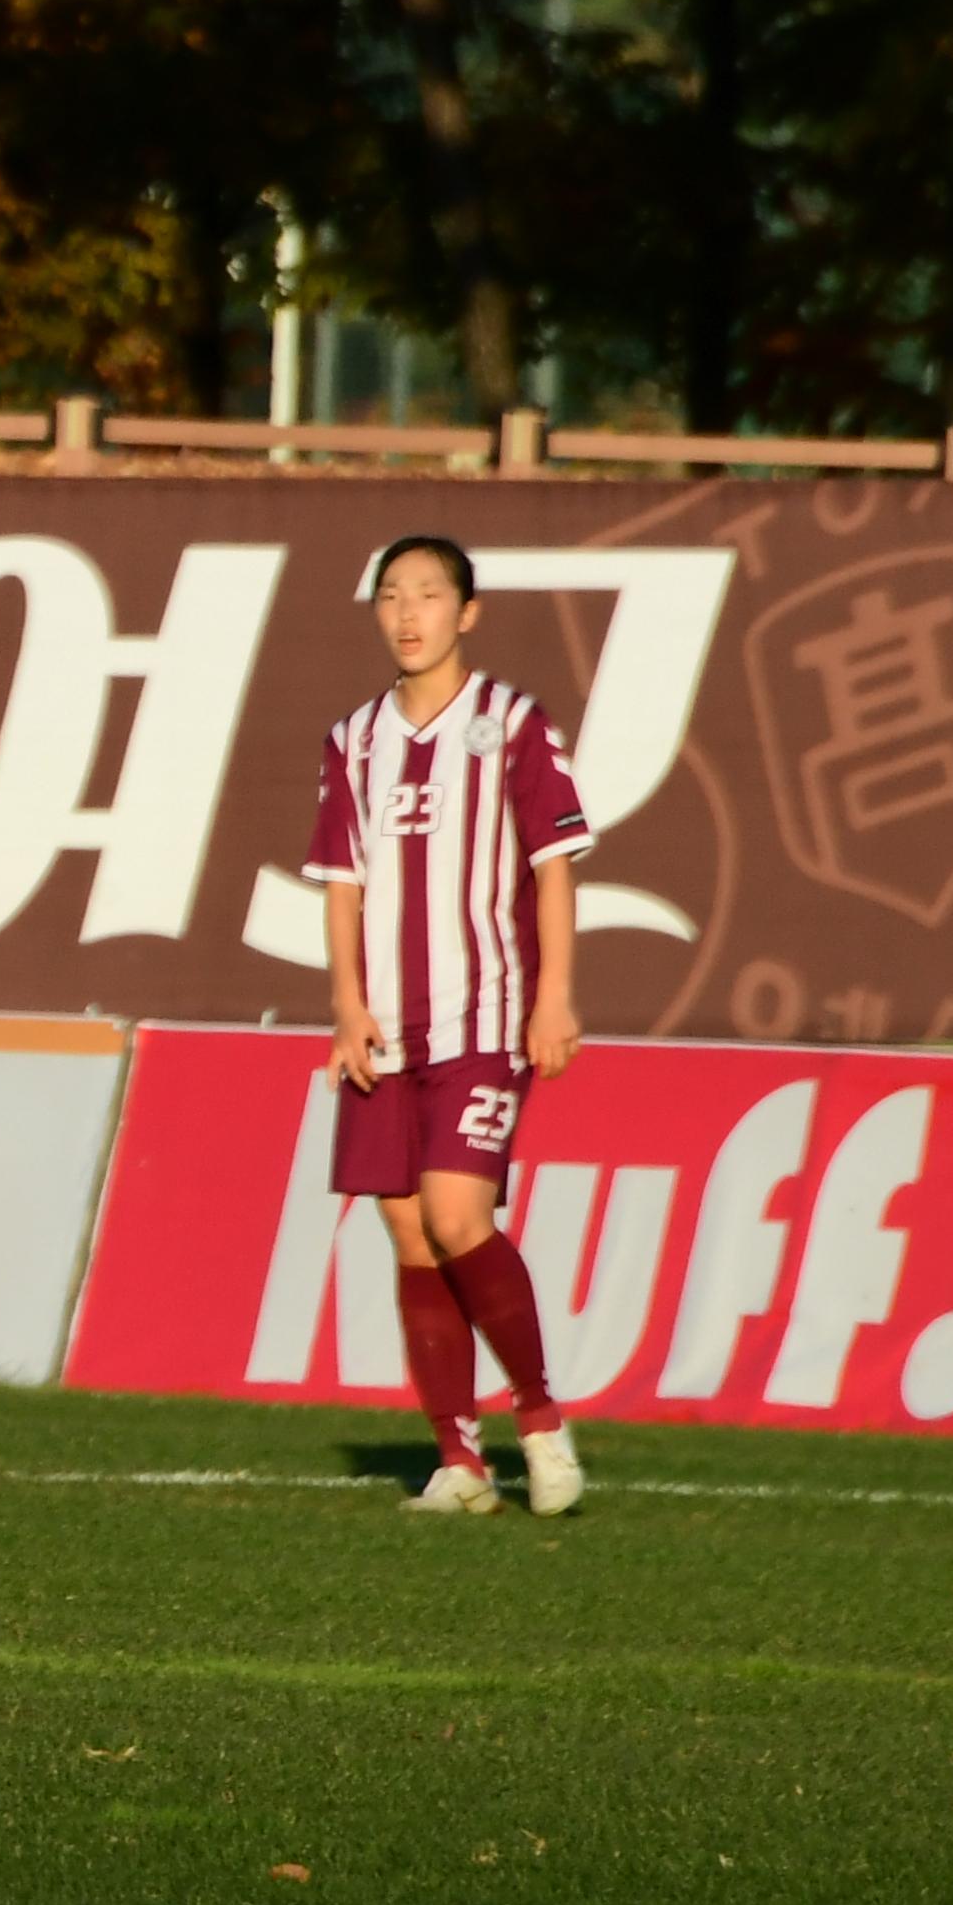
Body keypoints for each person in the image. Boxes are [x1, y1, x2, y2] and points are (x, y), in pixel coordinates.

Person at [314, 531, 592, 1517]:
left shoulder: (510, 722)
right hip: (386, 1028)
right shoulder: (354, 738)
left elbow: (554, 863)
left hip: (484, 1012)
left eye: (428, 594)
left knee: (456, 1214)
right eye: (392, 594)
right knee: (410, 1235)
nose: (408, 612)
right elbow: (342, 884)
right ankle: (457, 1460)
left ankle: (543, 1422)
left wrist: (555, 992)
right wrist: (346, 1003)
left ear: (465, 612)